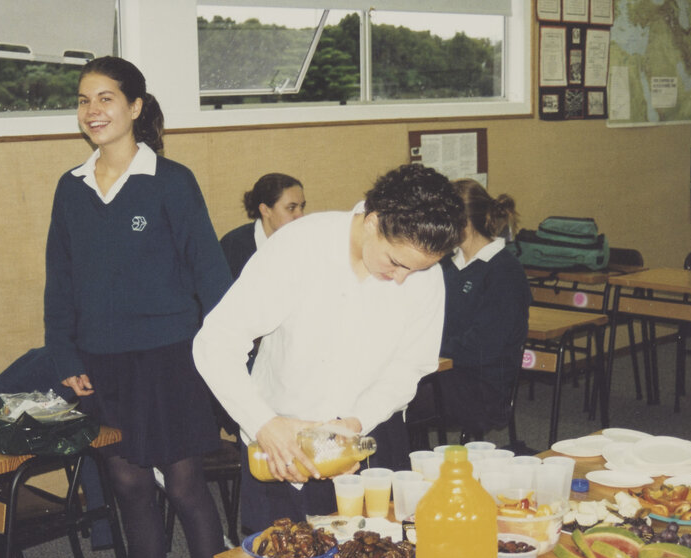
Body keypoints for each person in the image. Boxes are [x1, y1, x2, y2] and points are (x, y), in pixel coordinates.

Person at [43, 57, 233, 558]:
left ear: (135, 107)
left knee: (185, 486)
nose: (92, 110)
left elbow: (210, 272)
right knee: (126, 484)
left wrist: (228, 348)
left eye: (105, 98)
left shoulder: (171, 180)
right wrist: (64, 353)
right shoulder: (71, 186)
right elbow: (60, 280)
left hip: (168, 357)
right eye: (83, 100)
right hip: (102, 361)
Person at [192, 164, 465, 531]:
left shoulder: (423, 274)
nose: (403, 279)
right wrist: (263, 424)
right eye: (396, 263)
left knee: (378, 555)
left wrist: (356, 421)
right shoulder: (300, 245)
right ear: (373, 221)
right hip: (282, 439)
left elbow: (409, 367)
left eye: (415, 271)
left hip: (369, 432)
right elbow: (215, 341)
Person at [410, 178, 530, 441]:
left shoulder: (504, 271)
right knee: (387, 389)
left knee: (401, 399)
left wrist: (427, 349)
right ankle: (412, 460)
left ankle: (408, 461)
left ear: (464, 222)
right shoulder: (448, 264)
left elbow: (484, 345)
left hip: (480, 386)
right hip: (444, 371)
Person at [219, 172, 306, 278]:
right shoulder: (233, 246)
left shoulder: (304, 242)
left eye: (302, 207)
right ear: (265, 210)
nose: (301, 216)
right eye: (291, 208)